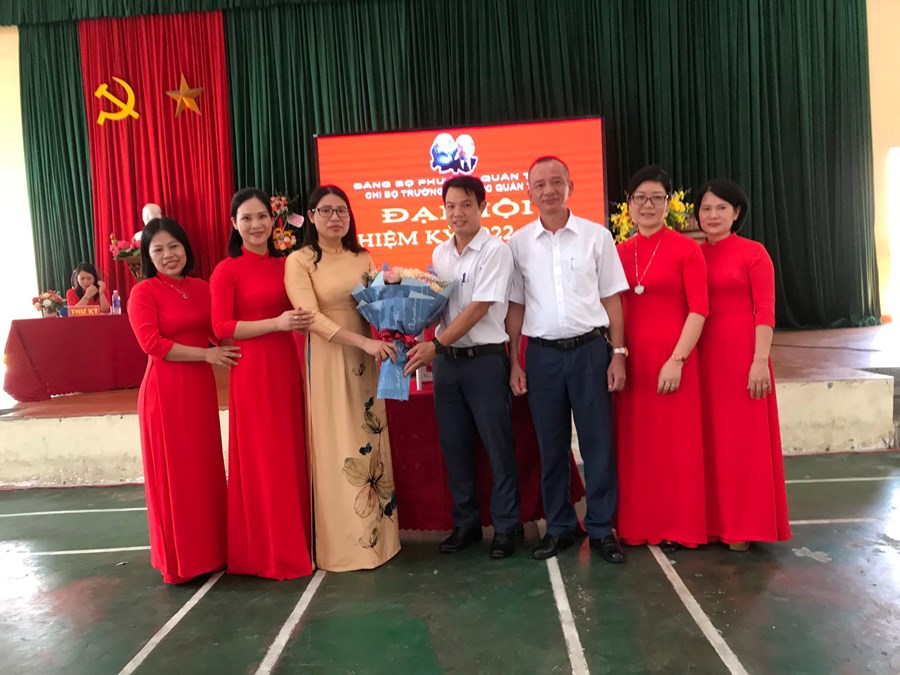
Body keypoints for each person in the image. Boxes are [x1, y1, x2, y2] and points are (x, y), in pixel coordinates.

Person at [507, 156, 628, 563]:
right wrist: (515, 361)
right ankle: (559, 528)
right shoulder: (518, 244)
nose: (549, 190)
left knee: (597, 444)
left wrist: (618, 354)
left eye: (556, 181)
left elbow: (612, 299)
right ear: (528, 193)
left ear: (570, 187)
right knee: (551, 447)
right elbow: (516, 307)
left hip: (591, 353)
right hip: (542, 357)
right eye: (540, 184)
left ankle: (601, 528)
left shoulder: (597, 237)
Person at [284, 185, 401, 572]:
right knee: (338, 443)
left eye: (342, 211)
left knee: (371, 437)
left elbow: (375, 305)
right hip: (330, 358)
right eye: (326, 210)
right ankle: (345, 548)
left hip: (368, 357)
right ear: (311, 216)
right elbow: (310, 318)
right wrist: (363, 343)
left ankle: (381, 541)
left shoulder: (361, 256)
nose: (335, 217)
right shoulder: (300, 261)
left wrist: (395, 308)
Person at [403, 175, 520, 559]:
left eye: (466, 205)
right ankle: (466, 523)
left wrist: (435, 345)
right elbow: (438, 306)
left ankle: (506, 526)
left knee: (497, 447)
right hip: (448, 366)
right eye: (451, 206)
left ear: (482, 207)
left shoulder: (496, 251)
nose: (458, 213)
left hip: (484, 361)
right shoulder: (440, 253)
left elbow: (479, 308)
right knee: (455, 447)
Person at [210, 188, 315, 580]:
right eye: (247, 218)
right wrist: (276, 323)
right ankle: (271, 553)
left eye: (261, 217)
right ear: (234, 224)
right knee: (265, 458)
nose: (255, 225)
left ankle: (300, 542)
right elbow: (221, 327)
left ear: (274, 221)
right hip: (252, 370)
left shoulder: (287, 264)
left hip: (287, 365)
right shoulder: (227, 270)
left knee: (291, 452)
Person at [127, 218, 239, 584]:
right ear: (148, 256)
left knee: (204, 469)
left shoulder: (201, 287)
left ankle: (214, 552)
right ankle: (182, 561)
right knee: (175, 475)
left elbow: (219, 332)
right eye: (158, 249)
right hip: (165, 392)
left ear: (186, 248)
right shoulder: (143, 292)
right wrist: (206, 355)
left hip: (199, 390)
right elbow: (152, 345)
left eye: (174, 246)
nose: (168, 255)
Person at [614, 166, 709, 551]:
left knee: (676, 446)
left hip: (673, 360)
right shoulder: (619, 253)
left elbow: (699, 309)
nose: (648, 205)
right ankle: (636, 523)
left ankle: (679, 525)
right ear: (629, 205)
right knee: (637, 446)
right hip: (632, 361)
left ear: (668, 204)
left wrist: (678, 359)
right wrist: (616, 354)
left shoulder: (687, 250)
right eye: (640, 198)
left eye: (656, 198)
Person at [694, 179, 791, 550]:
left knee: (741, 444)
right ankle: (711, 524)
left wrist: (760, 361)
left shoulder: (754, 253)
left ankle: (744, 526)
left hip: (742, 359)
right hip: (702, 358)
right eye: (706, 208)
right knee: (708, 442)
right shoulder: (693, 255)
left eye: (721, 207)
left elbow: (765, 311)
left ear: (736, 213)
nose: (713, 215)